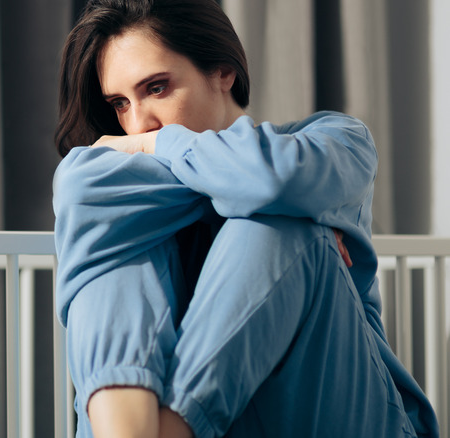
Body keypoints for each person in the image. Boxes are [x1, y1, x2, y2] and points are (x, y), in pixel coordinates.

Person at [51, 0, 439, 437]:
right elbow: (77, 183)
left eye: (156, 88)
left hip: (340, 413)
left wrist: (162, 149)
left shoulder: (332, 141)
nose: (138, 124)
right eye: (120, 103)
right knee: (120, 238)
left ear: (223, 71)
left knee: (280, 221)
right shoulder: (115, 181)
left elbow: (278, 180)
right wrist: (230, 185)